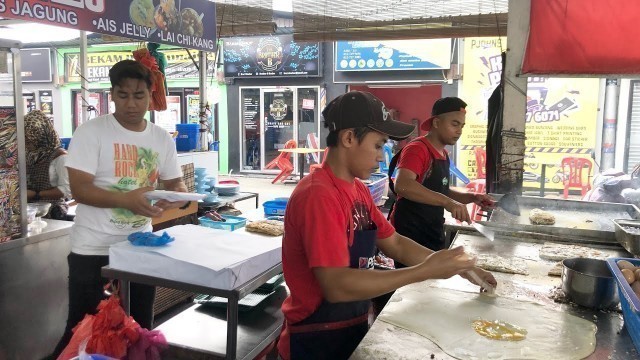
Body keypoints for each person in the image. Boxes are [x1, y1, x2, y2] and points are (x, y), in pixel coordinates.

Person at [278, 91, 497, 360]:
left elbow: (394, 243)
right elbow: (336, 286)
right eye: (378, 145)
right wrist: (424, 271)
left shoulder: (357, 189)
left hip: (350, 327)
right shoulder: (319, 195)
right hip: (314, 340)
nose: (382, 158)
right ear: (348, 138)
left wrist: (461, 268)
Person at [50, 60, 188, 357]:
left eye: (139, 96)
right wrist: (126, 199)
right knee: (85, 332)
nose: (131, 104)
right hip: (93, 251)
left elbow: (177, 185)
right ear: (112, 94)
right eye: (123, 95)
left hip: (140, 248)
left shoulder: (160, 138)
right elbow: (80, 190)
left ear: (151, 95)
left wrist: (173, 196)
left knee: (137, 331)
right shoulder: (91, 132)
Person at [389, 97, 495, 256]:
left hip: (432, 228)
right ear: (436, 123)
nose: (459, 130)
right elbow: (403, 185)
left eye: (462, 125)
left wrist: (473, 197)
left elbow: (441, 190)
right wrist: (448, 202)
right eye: (454, 124)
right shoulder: (418, 149)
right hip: (410, 232)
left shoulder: (443, 154)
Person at [24, 109, 71, 220]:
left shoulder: (60, 157)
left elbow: (66, 190)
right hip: (29, 211)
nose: (26, 142)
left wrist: (36, 194)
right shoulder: (28, 156)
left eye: (29, 138)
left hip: (52, 211)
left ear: (41, 134)